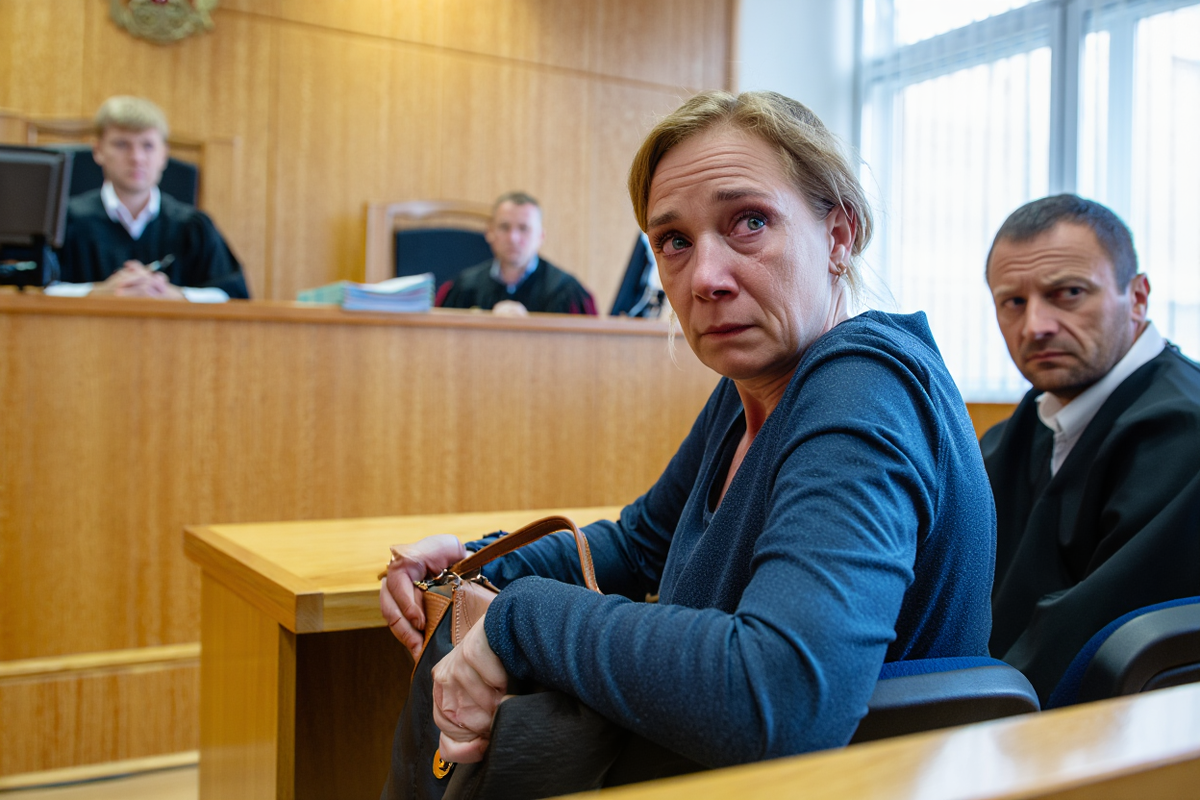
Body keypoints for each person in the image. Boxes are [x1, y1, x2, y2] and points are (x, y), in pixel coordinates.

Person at [381, 91, 994, 782]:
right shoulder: (750, 386)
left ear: (839, 234)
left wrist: (517, 619)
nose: (704, 279)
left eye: (750, 222)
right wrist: (478, 562)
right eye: (675, 241)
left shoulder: (862, 389)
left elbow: (782, 697)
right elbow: (639, 543)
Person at [981, 194, 1200, 703]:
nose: (1036, 326)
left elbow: (1091, 640)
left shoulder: (1183, 432)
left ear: (1138, 297)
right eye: (1013, 302)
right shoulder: (1020, 430)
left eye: (1069, 293)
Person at [52, 95, 249, 301]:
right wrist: (98, 293)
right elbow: (36, 289)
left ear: (164, 154)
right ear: (98, 151)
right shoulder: (64, 222)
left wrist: (172, 295)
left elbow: (233, 296)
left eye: (147, 146)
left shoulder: (192, 227)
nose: (136, 158)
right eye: (122, 144)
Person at [434, 191, 596, 315]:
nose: (513, 238)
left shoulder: (566, 291)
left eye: (524, 228)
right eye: (504, 227)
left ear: (541, 236)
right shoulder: (464, 287)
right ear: (490, 232)